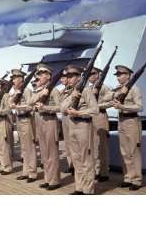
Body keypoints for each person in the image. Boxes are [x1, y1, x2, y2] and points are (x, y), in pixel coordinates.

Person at [60, 65, 99, 195]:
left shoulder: (87, 91)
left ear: (78, 77)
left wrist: (79, 113)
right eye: (68, 77)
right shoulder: (71, 91)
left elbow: (95, 110)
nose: (69, 79)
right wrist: (72, 97)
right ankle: (79, 188)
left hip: (83, 126)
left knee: (86, 160)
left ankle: (88, 190)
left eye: (71, 77)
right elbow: (62, 108)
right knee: (76, 160)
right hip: (72, 127)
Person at [111, 65, 143, 190]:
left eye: (121, 74)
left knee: (134, 151)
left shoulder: (134, 89)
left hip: (132, 121)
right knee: (124, 152)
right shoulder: (119, 89)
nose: (118, 77)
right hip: (122, 121)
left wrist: (123, 107)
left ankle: (137, 180)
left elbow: (139, 107)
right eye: (117, 75)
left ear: (128, 75)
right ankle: (128, 177)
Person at [29, 63, 61, 190]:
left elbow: (60, 107)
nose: (39, 77)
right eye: (38, 74)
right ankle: (48, 179)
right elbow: (30, 102)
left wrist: (46, 107)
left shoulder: (54, 90)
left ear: (48, 76)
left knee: (52, 153)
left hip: (49, 121)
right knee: (44, 153)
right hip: (39, 122)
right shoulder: (39, 90)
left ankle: (54, 181)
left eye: (41, 74)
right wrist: (42, 92)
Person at [10, 69, 38, 183]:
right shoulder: (16, 91)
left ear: (21, 79)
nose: (13, 81)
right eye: (13, 78)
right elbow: (10, 104)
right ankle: (25, 172)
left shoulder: (26, 91)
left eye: (15, 78)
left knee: (30, 148)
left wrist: (18, 107)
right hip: (19, 120)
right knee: (24, 149)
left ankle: (32, 173)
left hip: (26, 120)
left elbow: (30, 106)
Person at [89, 67, 113, 182]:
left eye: (93, 73)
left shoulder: (104, 87)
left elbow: (111, 102)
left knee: (101, 147)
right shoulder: (89, 88)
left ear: (99, 74)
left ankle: (104, 172)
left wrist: (97, 106)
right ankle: (96, 170)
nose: (90, 76)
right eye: (89, 74)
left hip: (100, 117)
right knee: (94, 146)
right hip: (91, 118)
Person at [0, 78, 13, 175]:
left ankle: (8, 167)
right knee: (0, 146)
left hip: (4, 122)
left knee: (5, 146)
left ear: (0, 86)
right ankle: (3, 165)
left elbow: (8, 110)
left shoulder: (5, 95)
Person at [59, 70, 73, 174]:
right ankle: (71, 165)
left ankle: (76, 166)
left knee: (74, 143)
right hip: (64, 118)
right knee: (67, 144)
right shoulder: (63, 90)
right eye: (62, 78)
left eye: (64, 78)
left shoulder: (75, 90)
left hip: (72, 117)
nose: (62, 80)